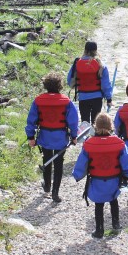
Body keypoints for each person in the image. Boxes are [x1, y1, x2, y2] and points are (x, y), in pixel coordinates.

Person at [73, 112, 128, 238]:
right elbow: (127, 160)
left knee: (99, 204)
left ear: (95, 126)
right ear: (111, 126)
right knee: (113, 200)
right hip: (114, 180)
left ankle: (99, 230)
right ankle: (116, 224)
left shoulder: (88, 144)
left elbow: (81, 163)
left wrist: (77, 175)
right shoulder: (119, 143)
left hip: (97, 181)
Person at [25, 72, 79, 203]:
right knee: (59, 164)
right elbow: (73, 121)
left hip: (45, 136)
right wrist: (74, 136)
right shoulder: (66, 101)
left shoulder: (38, 101)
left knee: (46, 160)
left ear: (46, 86)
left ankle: (47, 186)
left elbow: (31, 120)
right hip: (60, 137)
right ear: (60, 86)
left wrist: (31, 137)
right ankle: (55, 192)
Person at [68, 41, 113, 124]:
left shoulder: (77, 62)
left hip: (83, 97)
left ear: (85, 50)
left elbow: (69, 81)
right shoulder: (101, 65)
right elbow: (105, 84)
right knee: (95, 122)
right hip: (97, 98)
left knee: (85, 122)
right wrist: (109, 99)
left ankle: (86, 136)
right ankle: (94, 136)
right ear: (96, 50)